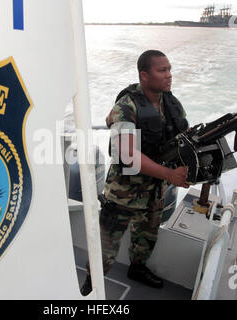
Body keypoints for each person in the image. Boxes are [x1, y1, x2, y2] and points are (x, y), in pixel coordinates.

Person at [81, 50, 189, 296]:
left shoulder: (171, 103)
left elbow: (184, 136)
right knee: (106, 247)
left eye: (169, 69)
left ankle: (137, 268)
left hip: (155, 191)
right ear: (144, 75)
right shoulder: (126, 107)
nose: (169, 75)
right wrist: (169, 175)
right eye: (162, 70)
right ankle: (90, 285)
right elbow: (127, 154)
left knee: (146, 236)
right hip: (123, 194)